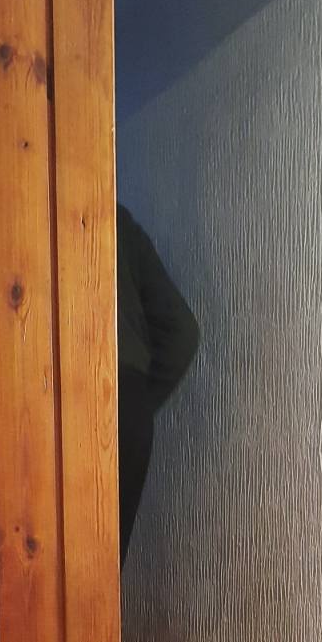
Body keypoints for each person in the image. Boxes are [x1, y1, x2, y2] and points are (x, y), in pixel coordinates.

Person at [117, 204, 200, 566]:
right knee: (102, 569)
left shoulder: (18, 208)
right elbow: (182, 331)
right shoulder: (115, 217)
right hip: (129, 402)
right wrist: (135, 404)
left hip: (67, 400)